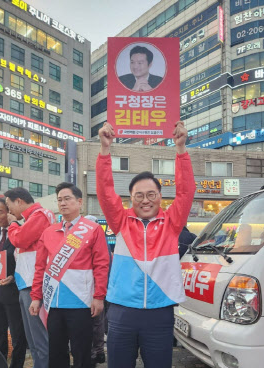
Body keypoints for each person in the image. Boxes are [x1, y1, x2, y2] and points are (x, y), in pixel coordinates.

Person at [96, 121, 196, 368]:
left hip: (159, 312)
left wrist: (181, 149)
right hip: (121, 312)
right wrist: (105, 150)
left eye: (151, 194)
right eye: (138, 195)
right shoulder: (120, 221)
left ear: (160, 197)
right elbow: (106, 192)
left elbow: (186, 192)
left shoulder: (171, 223)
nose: (145, 200)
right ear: (131, 199)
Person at [29, 183, 110, 368]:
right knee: (56, 352)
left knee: (82, 352)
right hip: (54, 304)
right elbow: (40, 267)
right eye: (59, 200)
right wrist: (36, 297)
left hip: (81, 302)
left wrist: (98, 297)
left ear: (79, 202)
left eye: (67, 199)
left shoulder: (93, 229)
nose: (63, 203)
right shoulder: (49, 232)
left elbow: (101, 265)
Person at [4, 187, 55, 368]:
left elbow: (20, 240)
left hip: (34, 284)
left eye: (9, 206)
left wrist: (13, 224)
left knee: (39, 337)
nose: (9, 211)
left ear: (19, 201)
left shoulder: (40, 215)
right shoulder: (31, 218)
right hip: (25, 282)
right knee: (32, 339)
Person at [0, 198, 27, 368]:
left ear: (10, 212)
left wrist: (14, 277)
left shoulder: (21, 231)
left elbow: (27, 262)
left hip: (14, 293)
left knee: (17, 337)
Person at [84, 215, 111, 367]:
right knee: (96, 322)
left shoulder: (98, 238)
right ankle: (96, 352)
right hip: (95, 287)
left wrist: (100, 291)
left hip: (97, 288)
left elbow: (103, 265)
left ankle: (97, 353)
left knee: (96, 321)